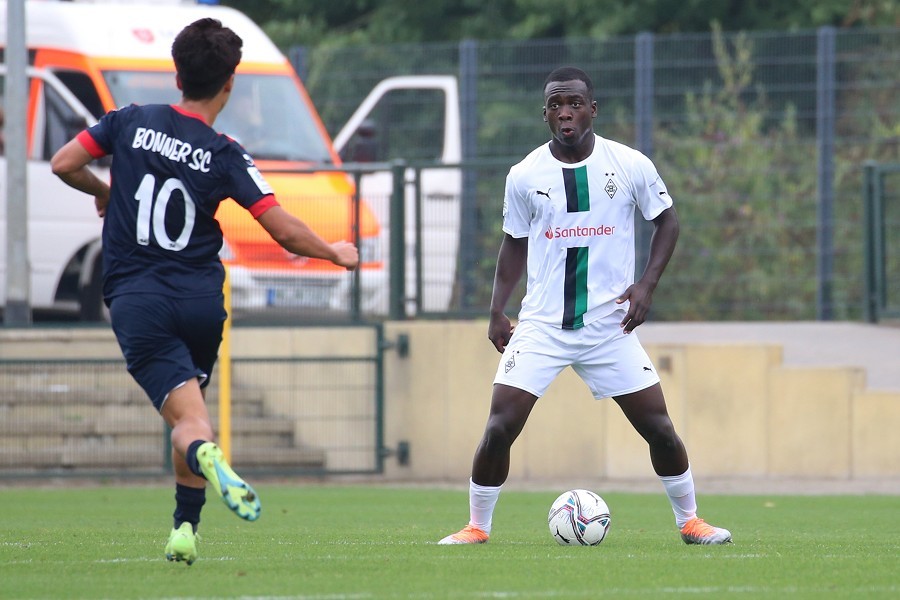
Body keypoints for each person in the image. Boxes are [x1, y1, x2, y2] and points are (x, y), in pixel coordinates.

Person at [50, 18, 359, 565]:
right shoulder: (225, 153)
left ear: (176, 74)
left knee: (189, 426)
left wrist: (105, 190)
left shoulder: (129, 121)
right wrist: (335, 252)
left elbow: (64, 162)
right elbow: (282, 228)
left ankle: (204, 464)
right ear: (229, 83)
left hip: (138, 302)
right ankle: (184, 531)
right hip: (199, 305)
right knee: (193, 416)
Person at [437, 66, 731, 546]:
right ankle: (477, 527)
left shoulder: (630, 164)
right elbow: (513, 245)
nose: (565, 112)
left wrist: (646, 286)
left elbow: (668, 223)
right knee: (499, 425)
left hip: (608, 325)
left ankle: (691, 522)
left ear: (592, 108)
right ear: (546, 114)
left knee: (659, 427)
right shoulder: (525, 174)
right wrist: (497, 309)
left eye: (574, 102)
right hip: (543, 326)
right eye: (555, 104)